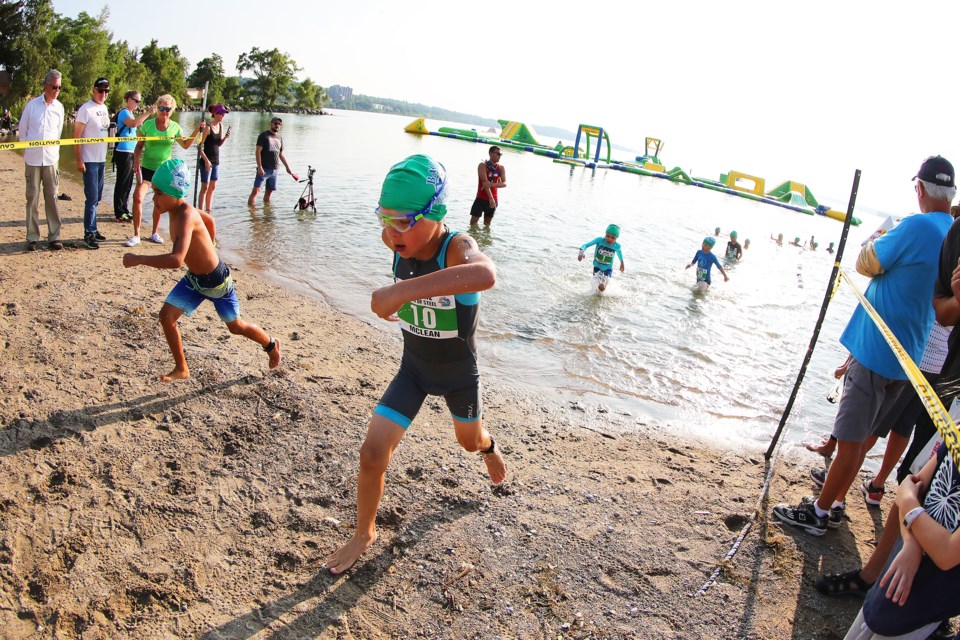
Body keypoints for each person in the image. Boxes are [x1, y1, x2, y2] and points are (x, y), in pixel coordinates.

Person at [325, 154, 505, 575]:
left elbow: (486, 274)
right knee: (371, 454)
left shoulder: (456, 247)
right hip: (414, 370)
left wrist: (401, 292)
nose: (392, 231)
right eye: (385, 219)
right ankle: (364, 532)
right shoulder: (394, 242)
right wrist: (393, 295)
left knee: (468, 441)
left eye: (405, 221)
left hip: (460, 376)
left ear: (436, 212)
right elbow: (398, 283)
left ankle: (489, 447)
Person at [772, 155, 955, 536]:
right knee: (860, 437)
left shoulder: (917, 226)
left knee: (852, 439)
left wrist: (874, 239)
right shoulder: (950, 231)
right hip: (909, 351)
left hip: (878, 348)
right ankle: (835, 503)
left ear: (919, 188)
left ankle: (819, 512)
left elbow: (867, 261)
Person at [122, 158, 280, 381]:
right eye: (154, 192)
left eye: (159, 193)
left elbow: (177, 260)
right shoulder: (178, 210)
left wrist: (139, 259)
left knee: (236, 327)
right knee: (167, 317)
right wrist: (211, 244)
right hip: (194, 280)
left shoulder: (186, 214)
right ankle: (182, 369)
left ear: (175, 194)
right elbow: (210, 220)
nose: (154, 198)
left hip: (216, 282)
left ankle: (270, 344)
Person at [840, 446, 960, 639]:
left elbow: (945, 553)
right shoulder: (956, 434)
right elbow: (910, 487)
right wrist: (911, 544)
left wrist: (908, 500)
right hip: (897, 570)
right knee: (865, 626)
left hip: (928, 600)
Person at [126, 94, 203, 247]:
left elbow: (186, 145)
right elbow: (139, 146)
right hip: (147, 168)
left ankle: (154, 233)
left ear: (172, 110)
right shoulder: (148, 125)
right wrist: (136, 161)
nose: (164, 111)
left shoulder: (175, 127)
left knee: (159, 203)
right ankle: (136, 235)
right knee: (138, 197)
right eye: (161, 108)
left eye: (168, 109)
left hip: (164, 171)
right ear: (157, 108)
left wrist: (197, 130)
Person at [19, 69, 65, 252]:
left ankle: (54, 236)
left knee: (52, 197)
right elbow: (23, 132)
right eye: (54, 87)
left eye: (59, 87)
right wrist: (30, 148)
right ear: (46, 86)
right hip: (32, 159)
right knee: (32, 198)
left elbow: (59, 133)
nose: (57, 90)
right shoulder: (31, 106)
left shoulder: (59, 108)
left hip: (51, 159)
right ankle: (32, 237)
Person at [73, 77, 112, 249]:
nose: (103, 94)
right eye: (100, 90)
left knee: (98, 197)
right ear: (93, 90)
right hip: (89, 160)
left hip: (101, 159)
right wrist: (79, 160)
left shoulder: (104, 108)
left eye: (106, 91)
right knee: (91, 198)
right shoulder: (85, 109)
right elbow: (77, 137)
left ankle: (94, 229)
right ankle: (88, 233)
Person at [113, 90, 156, 222]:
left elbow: (137, 125)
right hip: (123, 151)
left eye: (139, 101)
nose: (138, 103)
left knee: (128, 183)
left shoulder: (131, 113)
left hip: (131, 152)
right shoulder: (124, 112)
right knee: (122, 182)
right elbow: (133, 124)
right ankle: (119, 212)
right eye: (136, 100)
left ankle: (124, 208)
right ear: (128, 99)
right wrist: (148, 113)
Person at [247, 117, 298, 206]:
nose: (277, 125)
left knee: (269, 192)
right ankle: (252, 215)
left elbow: (281, 154)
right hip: (264, 169)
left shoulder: (279, 137)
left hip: (275, 170)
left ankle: (267, 212)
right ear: (271, 123)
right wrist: (259, 167)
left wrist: (287, 167)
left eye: (279, 124)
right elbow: (257, 152)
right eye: (275, 123)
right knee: (256, 191)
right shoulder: (264, 135)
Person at [198, 104, 231, 212]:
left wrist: (225, 137)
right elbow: (199, 147)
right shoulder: (208, 128)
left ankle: (208, 210)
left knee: (212, 187)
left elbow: (218, 144)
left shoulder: (220, 126)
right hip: (206, 161)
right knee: (205, 187)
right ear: (215, 114)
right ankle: (201, 210)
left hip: (216, 161)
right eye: (221, 114)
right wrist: (206, 161)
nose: (222, 116)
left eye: (223, 114)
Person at [578, 224, 625, 292]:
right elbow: (586, 245)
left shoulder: (616, 246)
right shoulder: (599, 240)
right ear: (605, 234)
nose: (609, 239)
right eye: (608, 236)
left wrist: (622, 263)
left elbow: (619, 254)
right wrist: (581, 252)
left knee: (602, 286)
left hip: (608, 269)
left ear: (616, 238)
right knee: (597, 289)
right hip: (597, 268)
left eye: (613, 237)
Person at [469, 146, 507, 226]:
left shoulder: (501, 168)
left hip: (494, 200)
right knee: (473, 222)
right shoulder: (482, 165)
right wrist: (491, 198)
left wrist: (492, 184)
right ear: (490, 153)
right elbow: (485, 183)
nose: (499, 156)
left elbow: (504, 183)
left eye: (500, 154)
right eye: (498, 154)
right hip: (481, 198)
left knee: (487, 224)